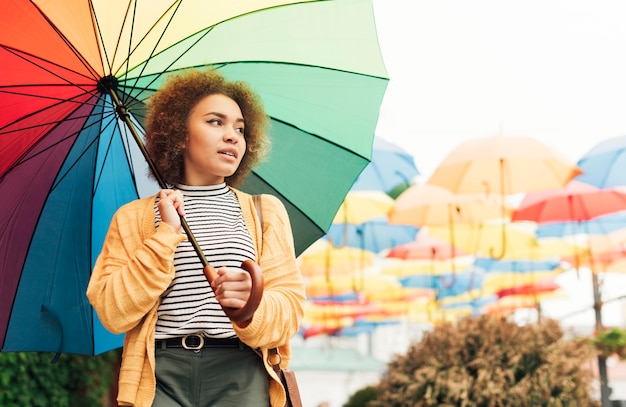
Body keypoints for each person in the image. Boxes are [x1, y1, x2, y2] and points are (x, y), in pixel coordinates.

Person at [87, 69, 306, 407]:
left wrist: (251, 305)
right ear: (179, 136)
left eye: (240, 128)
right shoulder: (133, 218)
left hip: (241, 373)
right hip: (158, 377)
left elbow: (289, 313)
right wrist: (166, 236)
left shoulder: (265, 211)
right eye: (216, 122)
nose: (232, 135)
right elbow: (113, 312)